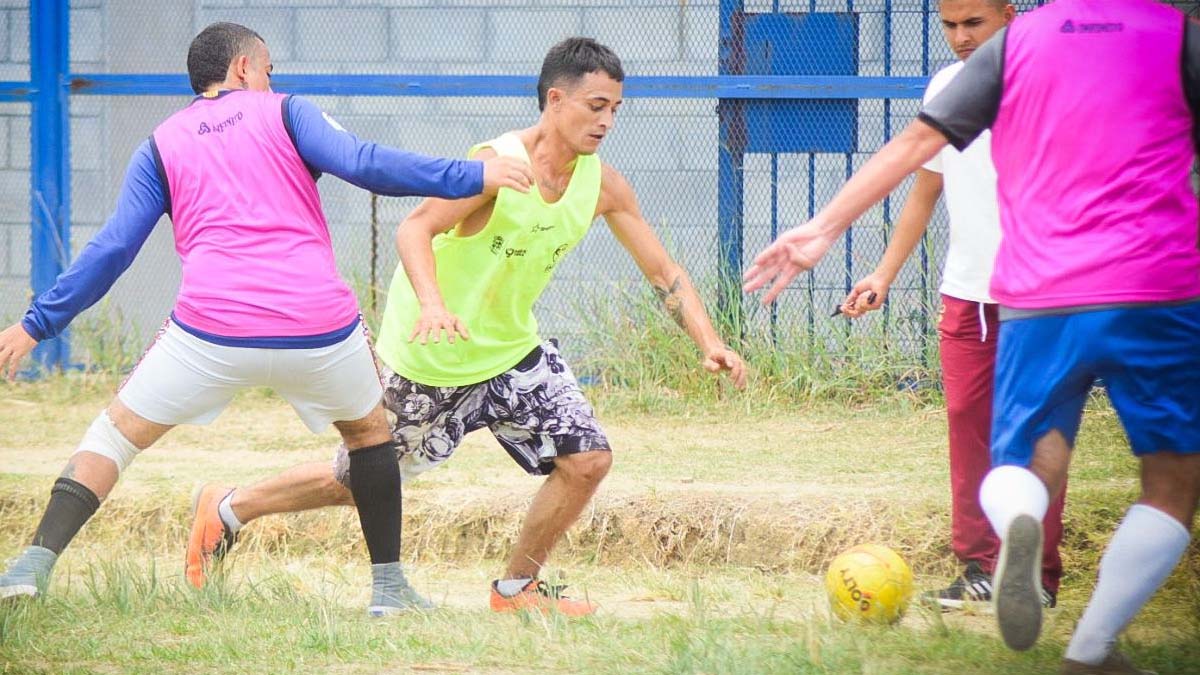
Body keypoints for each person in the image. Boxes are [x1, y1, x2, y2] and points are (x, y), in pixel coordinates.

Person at [185, 36, 747, 616]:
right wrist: (433, 305)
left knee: (588, 460)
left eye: (615, 109)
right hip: (433, 354)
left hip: (510, 351)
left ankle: (517, 590)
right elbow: (415, 228)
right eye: (596, 106)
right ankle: (229, 507)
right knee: (360, 480)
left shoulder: (602, 185)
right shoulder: (497, 166)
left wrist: (710, 341)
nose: (607, 121)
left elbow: (664, 272)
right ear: (556, 101)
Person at [0, 22, 534, 619]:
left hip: (209, 333)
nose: (272, 81)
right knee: (369, 437)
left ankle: (30, 566)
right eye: (269, 70)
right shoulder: (286, 111)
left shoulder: (159, 145)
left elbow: (113, 248)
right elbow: (364, 163)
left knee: (113, 438)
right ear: (245, 68)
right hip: (319, 331)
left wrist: (36, 324)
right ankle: (388, 590)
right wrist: (473, 175)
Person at [744, 1, 1199, 672]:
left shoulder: (1022, 42)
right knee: (1171, 482)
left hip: (1039, 290)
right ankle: (1091, 647)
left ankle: (1016, 521)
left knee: (1024, 461)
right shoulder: (1178, 36)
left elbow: (914, 143)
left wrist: (823, 227)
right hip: (1155, 285)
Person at [839, 0, 1064, 612]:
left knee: (1036, 430)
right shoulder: (946, 86)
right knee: (967, 427)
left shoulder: (1049, 77)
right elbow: (925, 187)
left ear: (1009, 15)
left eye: (974, 23)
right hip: (966, 292)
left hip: (1040, 294)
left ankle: (1037, 574)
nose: (961, 37)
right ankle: (980, 567)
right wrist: (883, 273)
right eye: (950, 25)